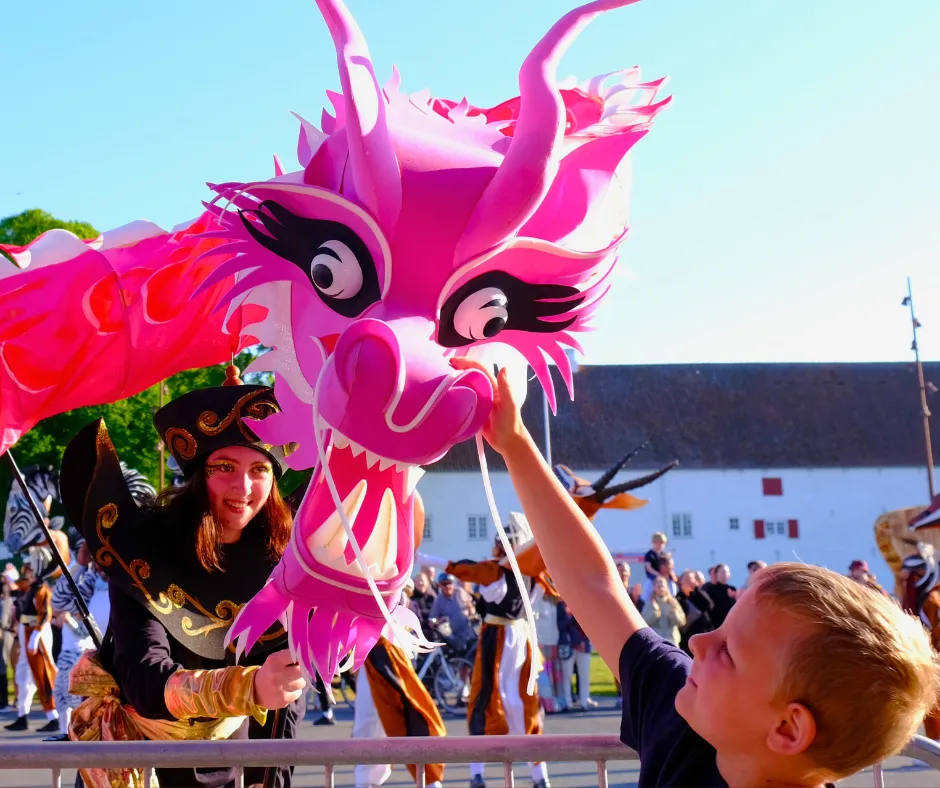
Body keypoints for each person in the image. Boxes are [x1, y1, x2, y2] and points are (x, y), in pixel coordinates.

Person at [451, 355, 940, 787]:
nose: (699, 642)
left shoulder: (694, 718)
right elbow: (592, 584)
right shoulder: (687, 719)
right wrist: (515, 442)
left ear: (788, 728)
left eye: (728, 651)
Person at [59, 368, 305, 788]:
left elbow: (285, 695)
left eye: (259, 470)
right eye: (224, 466)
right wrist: (248, 689)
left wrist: (270, 781)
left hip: (226, 762)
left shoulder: (285, 561)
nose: (243, 486)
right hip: (135, 762)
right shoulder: (144, 548)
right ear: (198, 474)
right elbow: (144, 678)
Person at [418, 512, 551, 788]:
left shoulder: (505, 571)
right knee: (520, 702)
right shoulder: (533, 574)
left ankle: (482, 772)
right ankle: (535, 775)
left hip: (499, 639)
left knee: (487, 698)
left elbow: (464, 568)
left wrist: (426, 559)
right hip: (519, 637)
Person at [5, 532, 70, 733]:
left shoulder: (42, 589)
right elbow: (16, 590)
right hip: (27, 631)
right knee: (23, 676)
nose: (27, 571)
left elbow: (45, 614)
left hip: (37, 633)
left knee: (44, 674)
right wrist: (11, 578)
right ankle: (22, 715)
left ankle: (54, 716)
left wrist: (36, 636)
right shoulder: (31, 586)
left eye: (30, 568)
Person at [556, 602, 596, 711]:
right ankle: (568, 702)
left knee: (584, 675)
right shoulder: (561, 606)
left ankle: (584, 702)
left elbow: (589, 624)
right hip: (568, 646)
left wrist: (582, 641)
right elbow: (559, 626)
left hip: (583, 646)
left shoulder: (583, 605)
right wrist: (569, 616)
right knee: (567, 676)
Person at [676, 570, 714, 656]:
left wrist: (697, 589)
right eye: (687, 579)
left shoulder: (697, 594)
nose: (690, 581)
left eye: (692, 579)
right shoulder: (679, 598)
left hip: (704, 633)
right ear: (681, 582)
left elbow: (709, 605)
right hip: (688, 637)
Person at [641, 576, 686, 646]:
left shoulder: (673, 603)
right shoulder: (650, 604)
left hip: (672, 641)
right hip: (656, 641)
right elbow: (644, 623)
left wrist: (673, 613)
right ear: (654, 588)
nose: (661, 589)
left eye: (663, 586)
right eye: (659, 587)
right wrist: (655, 612)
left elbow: (682, 622)